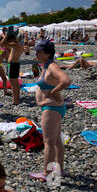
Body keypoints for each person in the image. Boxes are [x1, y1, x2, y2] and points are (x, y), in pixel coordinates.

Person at [29, 40, 71, 182]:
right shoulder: (46, 66)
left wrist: (54, 91)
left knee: (48, 142)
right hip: (54, 108)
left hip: (51, 108)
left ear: (48, 53)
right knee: (57, 140)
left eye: (39, 51)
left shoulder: (52, 66)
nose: (36, 54)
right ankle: (60, 169)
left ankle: (46, 173)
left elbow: (66, 80)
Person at [0, 33, 24, 105]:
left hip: (12, 64)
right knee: (15, 83)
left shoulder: (15, 44)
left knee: (13, 83)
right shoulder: (18, 44)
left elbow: (2, 44)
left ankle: (15, 100)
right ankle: (17, 98)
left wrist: (5, 36)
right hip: (15, 64)